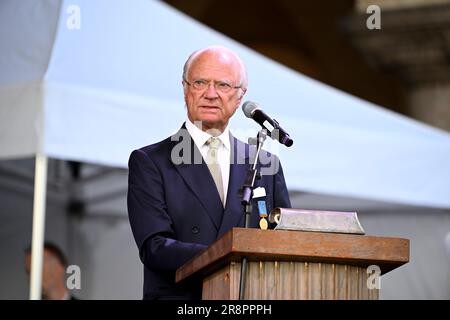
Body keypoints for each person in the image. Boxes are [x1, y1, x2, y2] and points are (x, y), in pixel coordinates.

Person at [127, 45, 291, 300]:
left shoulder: (264, 163)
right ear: (185, 89)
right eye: (201, 82)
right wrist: (226, 255)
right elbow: (154, 247)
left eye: (223, 85)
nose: (211, 94)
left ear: (240, 96)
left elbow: (283, 241)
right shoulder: (151, 161)